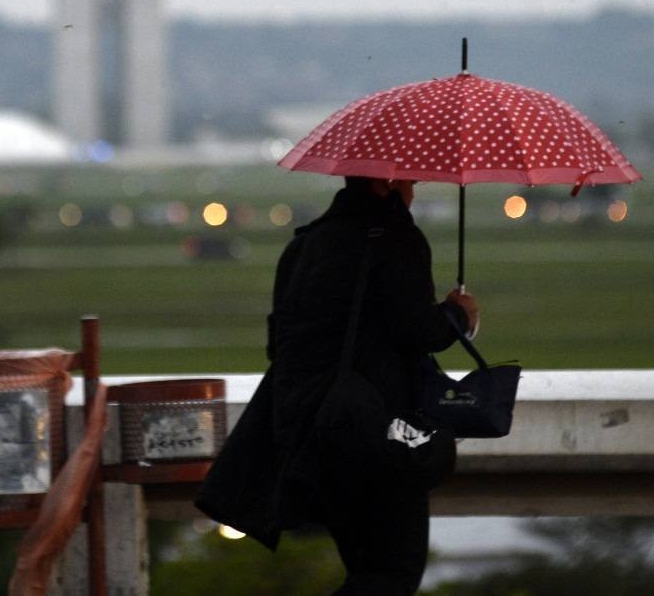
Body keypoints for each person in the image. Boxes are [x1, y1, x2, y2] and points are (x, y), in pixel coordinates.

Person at [196, 176, 479, 595]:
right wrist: (458, 315)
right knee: (392, 572)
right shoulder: (397, 238)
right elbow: (420, 330)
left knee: (366, 567)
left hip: (313, 431)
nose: (414, 187)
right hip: (376, 430)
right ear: (386, 183)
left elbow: (279, 344)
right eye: (410, 179)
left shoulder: (303, 244)